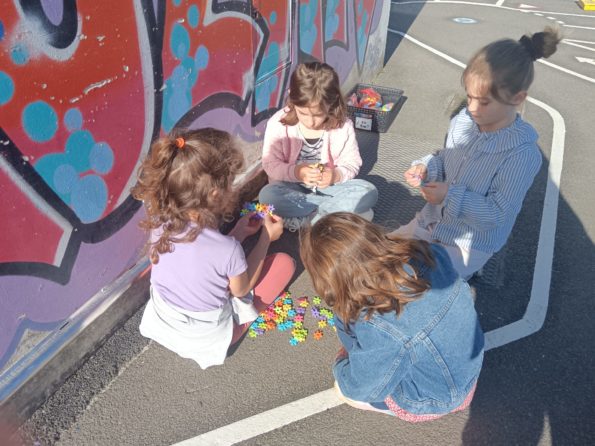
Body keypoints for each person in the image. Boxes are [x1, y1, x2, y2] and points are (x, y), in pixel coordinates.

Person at [395, 27, 562, 278]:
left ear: (517, 98)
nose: (472, 108)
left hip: (466, 245)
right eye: (469, 97)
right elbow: (445, 158)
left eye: (484, 102)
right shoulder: (463, 121)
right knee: (376, 257)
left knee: (413, 283)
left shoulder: (522, 154)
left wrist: (448, 195)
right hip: (430, 223)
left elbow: (496, 213)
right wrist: (427, 167)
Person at [131, 128, 295, 369]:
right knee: (284, 264)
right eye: (231, 182)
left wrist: (238, 232)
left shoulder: (159, 221)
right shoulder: (227, 250)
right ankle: (240, 328)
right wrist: (266, 238)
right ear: (216, 193)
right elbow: (241, 290)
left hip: (163, 324)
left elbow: (197, 259)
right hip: (207, 340)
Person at [300, 212, 484, 421]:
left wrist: (340, 366)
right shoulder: (428, 252)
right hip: (468, 373)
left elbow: (361, 387)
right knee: (353, 320)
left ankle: (383, 396)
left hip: (437, 400)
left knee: (346, 389)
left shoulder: (379, 323)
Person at [259, 61, 378, 231]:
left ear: (332, 102)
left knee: (368, 191)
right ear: (292, 97)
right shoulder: (278, 123)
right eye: (302, 113)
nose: (310, 122)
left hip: (329, 188)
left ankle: (307, 220)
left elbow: (352, 162)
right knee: (268, 196)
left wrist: (335, 175)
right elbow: (270, 165)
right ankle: (330, 219)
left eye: (318, 115)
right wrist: (297, 172)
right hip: (290, 188)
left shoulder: (343, 126)